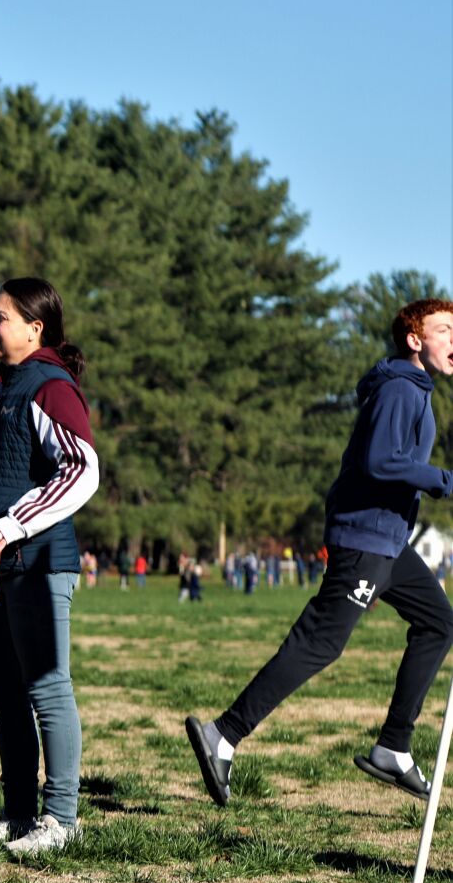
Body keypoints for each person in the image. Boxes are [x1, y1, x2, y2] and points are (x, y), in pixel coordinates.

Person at [187, 299, 453, 807]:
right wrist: (443, 481)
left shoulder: (414, 389)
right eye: (444, 330)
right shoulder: (401, 388)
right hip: (365, 541)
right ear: (415, 339)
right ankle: (222, 735)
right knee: (319, 643)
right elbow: (381, 461)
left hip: (388, 542)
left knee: (440, 622)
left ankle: (393, 748)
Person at [0, 277, 99, 856]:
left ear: (36, 328)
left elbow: (81, 468)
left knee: (46, 687)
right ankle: (16, 815)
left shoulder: (49, 385)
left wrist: (13, 524)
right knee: (4, 691)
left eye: (1, 317)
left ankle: (60, 820)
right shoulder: (2, 386)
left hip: (38, 562)